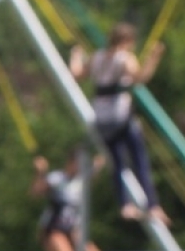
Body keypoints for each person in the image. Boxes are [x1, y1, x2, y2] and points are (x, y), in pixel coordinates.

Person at [71, 23, 167, 225]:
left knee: (117, 164)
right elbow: (140, 78)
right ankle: (153, 205)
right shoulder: (124, 58)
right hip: (121, 118)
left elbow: (77, 74)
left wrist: (76, 55)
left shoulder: (97, 58)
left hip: (102, 120)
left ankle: (125, 205)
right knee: (140, 160)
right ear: (128, 41)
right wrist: (155, 57)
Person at [31, 151, 107, 251]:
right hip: (54, 229)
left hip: (73, 231)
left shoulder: (81, 181)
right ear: (70, 162)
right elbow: (36, 192)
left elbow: (98, 164)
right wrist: (40, 172)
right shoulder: (57, 178)